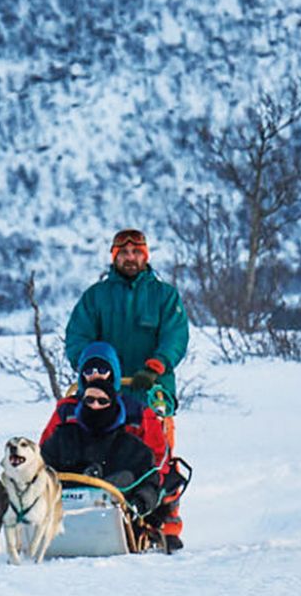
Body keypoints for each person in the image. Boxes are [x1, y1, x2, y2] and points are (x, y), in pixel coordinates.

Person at [63, 229, 190, 550]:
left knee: (159, 457)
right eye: (124, 253)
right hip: (106, 393)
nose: (130, 258)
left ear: (145, 256)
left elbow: (176, 337)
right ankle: (90, 513)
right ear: (114, 256)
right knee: (97, 452)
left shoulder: (164, 296)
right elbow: (77, 337)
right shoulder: (96, 297)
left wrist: (156, 366)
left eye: (136, 253)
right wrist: (92, 371)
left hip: (151, 391)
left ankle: (167, 524)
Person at [39, 376, 161, 519]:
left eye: (102, 401)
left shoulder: (133, 448)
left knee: (125, 477)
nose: (94, 406)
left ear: (113, 405)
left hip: (115, 523)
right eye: (89, 400)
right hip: (60, 516)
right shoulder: (62, 438)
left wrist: (137, 505)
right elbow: (39, 469)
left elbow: (149, 483)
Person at [40, 341, 168, 466]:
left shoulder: (137, 413)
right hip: (71, 476)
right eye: (89, 371)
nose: (96, 375)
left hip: (122, 480)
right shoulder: (67, 410)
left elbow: (157, 458)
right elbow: (43, 455)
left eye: (102, 370)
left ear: (113, 372)